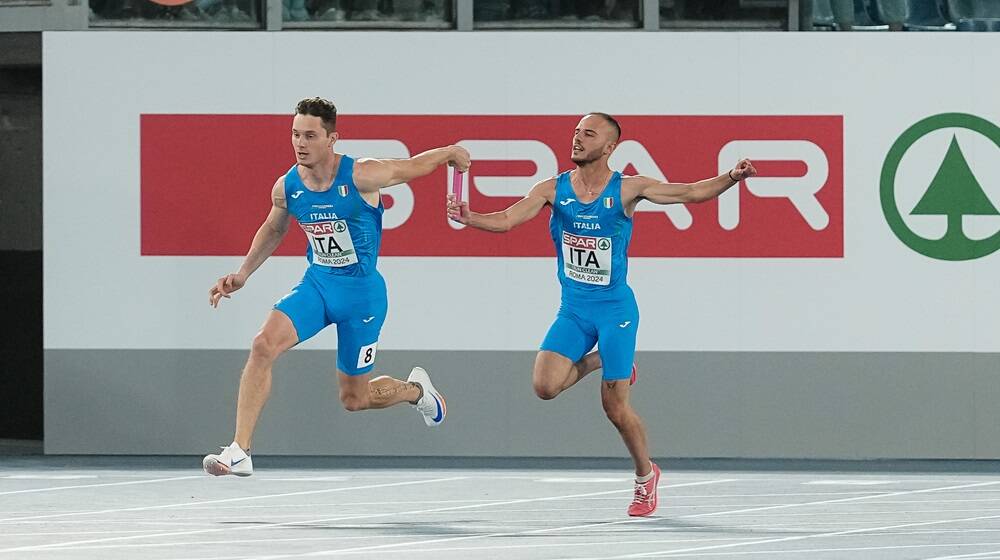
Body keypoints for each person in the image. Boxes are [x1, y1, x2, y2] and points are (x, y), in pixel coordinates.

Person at [447, 112, 756, 516]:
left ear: (609, 147)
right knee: (544, 386)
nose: (577, 139)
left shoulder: (628, 189)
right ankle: (608, 363)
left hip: (615, 312)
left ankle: (646, 477)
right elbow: (507, 219)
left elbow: (691, 193)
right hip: (574, 311)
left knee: (614, 408)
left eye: (588, 134)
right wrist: (472, 218)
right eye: (575, 132)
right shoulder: (552, 189)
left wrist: (731, 177)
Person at [203, 97, 470, 476]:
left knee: (354, 399)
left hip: (362, 298)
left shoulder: (362, 174)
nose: (300, 143)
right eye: (295, 134)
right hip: (317, 287)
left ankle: (416, 391)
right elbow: (275, 228)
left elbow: (408, 169)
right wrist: (243, 273)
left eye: (310, 135)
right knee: (263, 344)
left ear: (332, 139)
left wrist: (448, 153)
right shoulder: (287, 186)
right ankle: (240, 450)